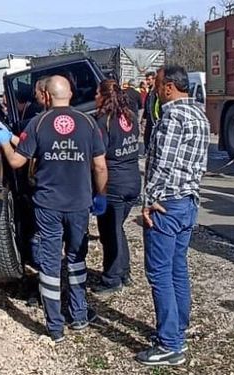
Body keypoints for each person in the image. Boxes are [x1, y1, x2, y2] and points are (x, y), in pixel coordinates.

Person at [0, 76, 108, 343]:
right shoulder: (89, 123)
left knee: (50, 264)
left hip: (48, 206)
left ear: (46, 96)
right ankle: (78, 315)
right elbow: (100, 166)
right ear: (69, 94)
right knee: (77, 259)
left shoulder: (38, 123)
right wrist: (99, 195)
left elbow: (17, 161)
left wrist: (2, 140)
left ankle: (55, 327)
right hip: (80, 204)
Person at [137, 65, 210, 366]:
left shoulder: (172, 116)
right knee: (178, 267)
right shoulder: (198, 115)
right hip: (188, 202)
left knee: (159, 272)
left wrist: (149, 200)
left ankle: (170, 344)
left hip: (166, 204)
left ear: (168, 87)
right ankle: (177, 327)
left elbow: (162, 165)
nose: (153, 88)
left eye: (156, 83)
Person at [91, 80, 141, 294]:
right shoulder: (130, 117)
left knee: (109, 232)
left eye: (96, 93)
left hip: (114, 184)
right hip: (133, 181)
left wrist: (100, 193)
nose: (94, 97)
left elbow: (99, 163)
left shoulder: (103, 122)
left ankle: (112, 278)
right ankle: (124, 271)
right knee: (118, 228)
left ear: (104, 96)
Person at [141, 71, 161, 151]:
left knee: (153, 136)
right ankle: (147, 151)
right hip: (149, 116)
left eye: (149, 79)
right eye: (146, 79)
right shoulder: (150, 91)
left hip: (155, 117)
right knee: (147, 135)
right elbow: (147, 103)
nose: (147, 82)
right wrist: (144, 115)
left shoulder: (157, 91)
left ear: (154, 79)